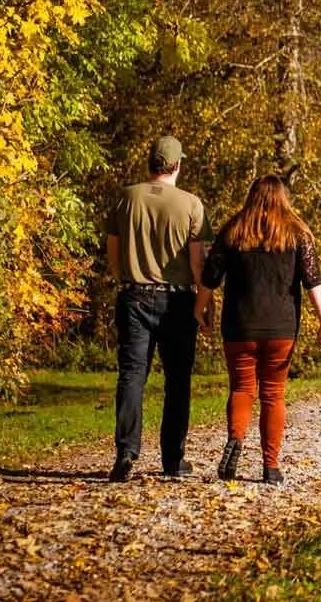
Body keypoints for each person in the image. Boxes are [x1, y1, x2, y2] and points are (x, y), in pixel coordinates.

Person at [197, 175, 321, 484]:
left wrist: (199, 310)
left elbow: (210, 277)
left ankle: (235, 438)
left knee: (242, 389)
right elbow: (312, 282)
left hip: (239, 326)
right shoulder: (298, 233)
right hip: (281, 327)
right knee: (273, 395)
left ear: (251, 196)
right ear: (283, 197)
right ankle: (270, 467)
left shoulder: (233, 230)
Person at [106, 135, 207, 482]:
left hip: (133, 294)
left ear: (150, 162)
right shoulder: (191, 204)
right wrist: (203, 301)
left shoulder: (125, 197)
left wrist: (125, 279)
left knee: (132, 374)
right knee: (177, 380)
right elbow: (197, 263)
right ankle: (172, 459)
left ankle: (126, 451)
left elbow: (113, 252)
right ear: (177, 165)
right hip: (176, 299)